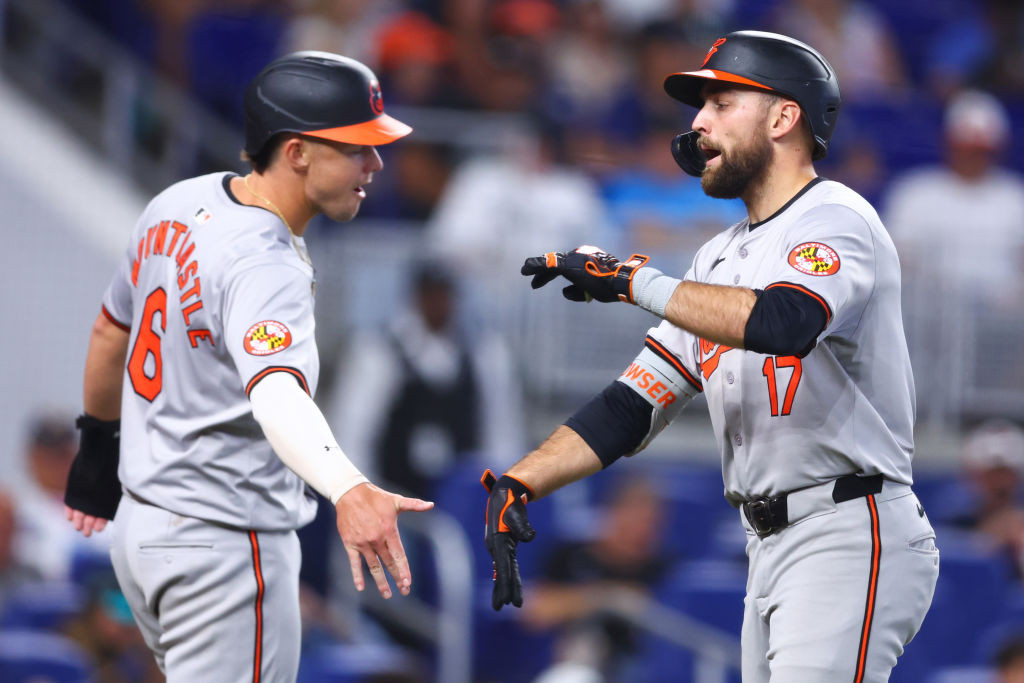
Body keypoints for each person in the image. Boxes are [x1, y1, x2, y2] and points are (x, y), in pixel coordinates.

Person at [482, 31, 940, 681]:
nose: (698, 121)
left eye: (722, 103)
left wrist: (631, 280)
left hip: (847, 527)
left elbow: (786, 321)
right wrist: (524, 479)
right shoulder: (718, 257)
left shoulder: (836, 217)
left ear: (784, 117)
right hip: (772, 541)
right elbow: (633, 403)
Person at [62, 51, 434, 682]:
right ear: (296, 153)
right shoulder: (267, 264)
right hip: (223, 544)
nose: (375, 163)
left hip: (144, 530)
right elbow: (278, 396)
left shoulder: (178, 201)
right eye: (356, 147)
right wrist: (348, 486)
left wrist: (97, 448)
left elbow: (109, 332)